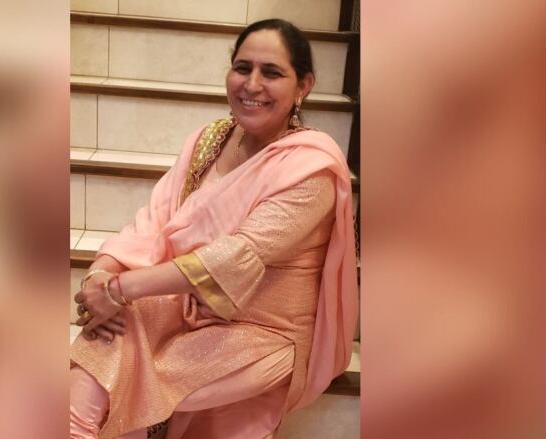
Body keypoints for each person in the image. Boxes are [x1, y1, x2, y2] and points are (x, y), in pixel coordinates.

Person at [70, 18, 358, 439]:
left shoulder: (311, 167)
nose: (252, 84)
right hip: (189, 306)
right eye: (242, 68)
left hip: (260, 332)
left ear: (303, 86)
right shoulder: (211, 139)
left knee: (134, 363)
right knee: (108, 337)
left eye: (272, 72)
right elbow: (154, 218)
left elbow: (234, 258)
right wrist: (102, 273)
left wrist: (119, 290)